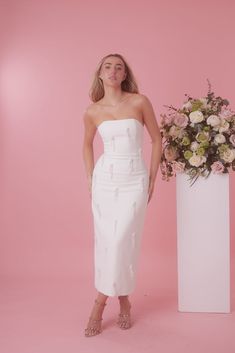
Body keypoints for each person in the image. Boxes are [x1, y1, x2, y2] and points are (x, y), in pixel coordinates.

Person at [82, 53, 162, 337]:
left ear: (124, 74)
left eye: (119, 67)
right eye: (108, 67)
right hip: (105, 181)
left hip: (134, 178)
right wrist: (91, 178)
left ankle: (99, 303)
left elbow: (156, 138)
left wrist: (152, 178)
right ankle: (123, 299)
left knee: (124, 239)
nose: (114, 71)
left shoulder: (139, 101)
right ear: (100, 73)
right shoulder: (92, 111)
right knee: (107, 242)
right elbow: (87, 145)